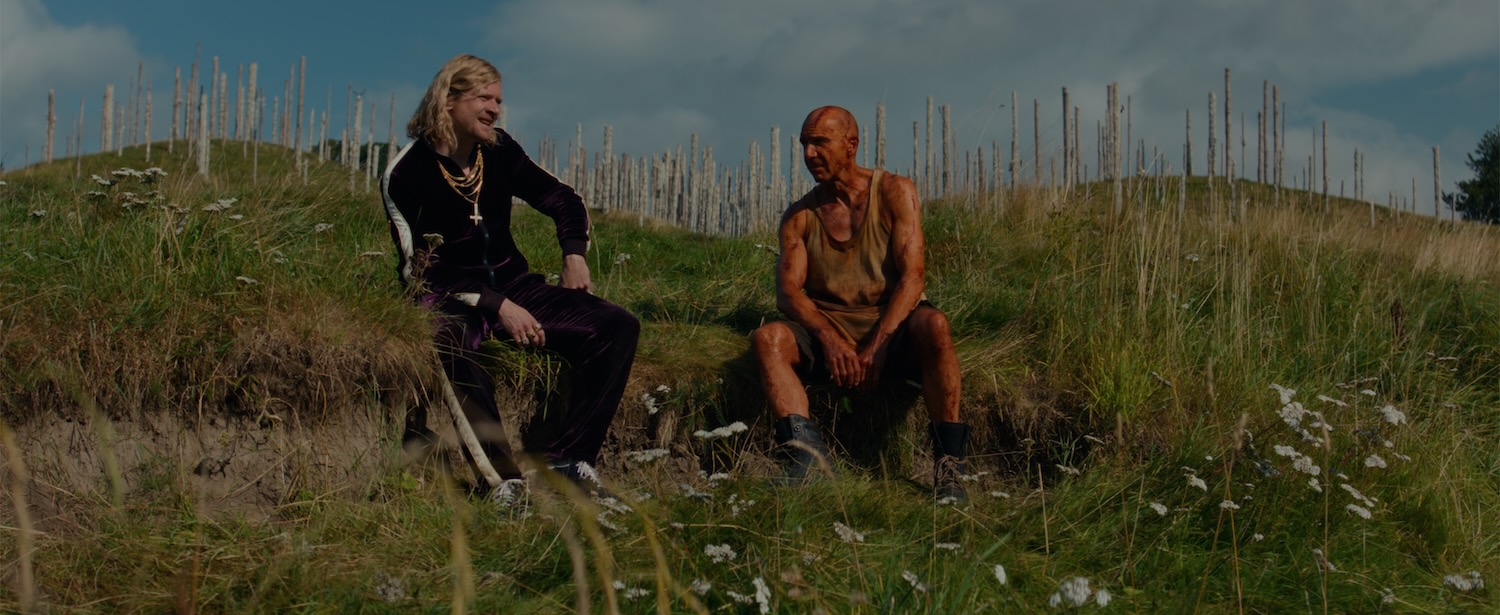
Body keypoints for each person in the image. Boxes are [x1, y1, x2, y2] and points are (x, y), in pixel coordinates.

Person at [381, 54, 638, 503]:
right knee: (451, 340)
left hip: (517, 286)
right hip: (452, 299)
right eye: (485, 98)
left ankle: (569, 461)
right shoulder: (406, 173)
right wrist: (494, 304)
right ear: (449, 100)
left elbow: (561, 197)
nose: (495, 110)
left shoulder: (499, 151)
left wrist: (574, 253)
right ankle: (504, 484)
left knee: (616, 326)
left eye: (499, 100)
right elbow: (417, 268)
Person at [750, 106, 970, 504]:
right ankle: (807, 460)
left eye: (820, 143)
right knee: (769, 339)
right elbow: (788, 293)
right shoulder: (799, 216)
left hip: (893, 327)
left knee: (935, 325)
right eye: (805, 144)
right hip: (829, 332)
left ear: (851, 145)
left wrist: (878, 346)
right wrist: (830, 341)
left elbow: (913, 277)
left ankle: (949, 465)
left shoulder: (894, 192)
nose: (809, 154)